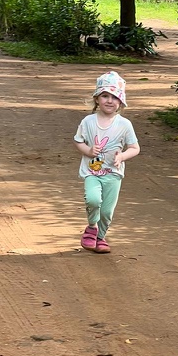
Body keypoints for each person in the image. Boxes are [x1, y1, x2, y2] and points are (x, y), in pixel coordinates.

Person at [73, 71, 140, 253]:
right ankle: (92, 227)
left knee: (107, 211)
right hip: (91, 172)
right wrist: (88, 150)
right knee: (93, 200)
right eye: (104, 96)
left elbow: (135, 148)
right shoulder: (88, 121)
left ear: (121, 101)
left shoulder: (124, 125)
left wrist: (121, 157)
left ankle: (101, 237)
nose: (109, 101)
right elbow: (78, 140)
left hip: (113, 174)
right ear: (97, 99)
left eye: (114, 97)